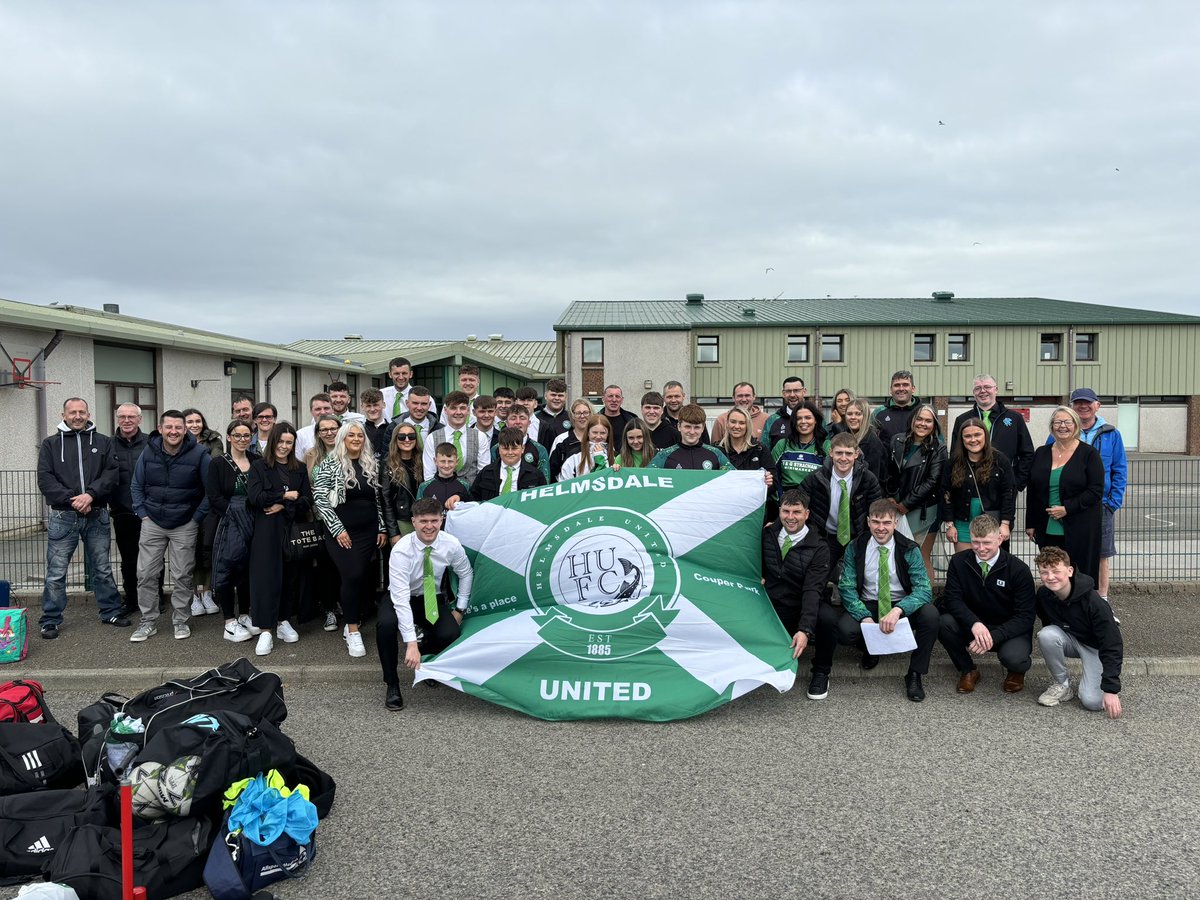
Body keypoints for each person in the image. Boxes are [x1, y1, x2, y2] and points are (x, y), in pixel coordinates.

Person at [36, 397, 126, 638]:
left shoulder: (103, 442)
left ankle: (110, 611)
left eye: (82, 412)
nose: (77, 416)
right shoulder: (50, 444)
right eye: (72, 412)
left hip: (97, 514)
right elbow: (45, 479)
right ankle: (50, 619)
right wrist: (74, 499)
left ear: (88, 415)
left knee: (103, 568)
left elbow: (111, 474)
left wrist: (90, 495)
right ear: (64, 415)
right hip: (63, 516)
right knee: (56, 571)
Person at [836, 500, 938, 702]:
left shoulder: (909, 548)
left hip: (900, 603)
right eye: (875, 522)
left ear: (895, 523)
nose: (880, 528)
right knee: (845, 630)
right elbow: (846, 587)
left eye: (886, 522)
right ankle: (871, 647)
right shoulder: (855, 546)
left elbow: (924, 589)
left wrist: (899, 609)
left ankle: (915, 674)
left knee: (931, 615)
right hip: (869, 603)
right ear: (868, 522)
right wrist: (863, 617)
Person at [379, 498, 475, 710]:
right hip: (401, 596)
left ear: (442, 520)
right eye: (423, 521)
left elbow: (466, 573)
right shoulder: (402, 550)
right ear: (413, 522)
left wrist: (460, 608)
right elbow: (401, 600)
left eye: (434, 520)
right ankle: (392, 684)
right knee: (385, 625)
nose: (429, 526)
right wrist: (410, 643)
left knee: (450, 633)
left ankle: (425, 660)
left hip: (430, 596)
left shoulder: (451, 543)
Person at [129, 410, 211, 643]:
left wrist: (196, 518)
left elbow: (210, 491)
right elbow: (137, 484)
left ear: (185, 430)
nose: (173, 431)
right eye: (169, 427)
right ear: (160, 428)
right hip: (152, 522)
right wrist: (142, 513)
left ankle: (181, 620)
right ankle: (148, 622)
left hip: (185, 524)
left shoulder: (199, 454)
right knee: (145, 574)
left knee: (182, 575)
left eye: (178, 427)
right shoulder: (148, 451)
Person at [312, 421, 387, 658]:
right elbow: (320, 498)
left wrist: (382, 528)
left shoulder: (370, 464)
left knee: (360, 577)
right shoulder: (330, 463)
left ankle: (351, 621)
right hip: (341, 532)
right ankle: (352, 629)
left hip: (369, 531)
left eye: (360, 435)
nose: (356, 439)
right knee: (351, 575)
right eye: (351, 435)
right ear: (343, 438)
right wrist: (337, 529)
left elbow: (378, 500)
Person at [938, 515, 1036, 694]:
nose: (981, 548)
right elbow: (952, 599)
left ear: (999, 538)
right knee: (944, 622)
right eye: (976, 542)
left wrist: (994, 635)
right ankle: (968, 669)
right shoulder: (959, 562)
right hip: (975, 626)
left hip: (1007, 630)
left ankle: (1016, 671)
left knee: (1014, 657)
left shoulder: (1019, 570)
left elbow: (1026, 617)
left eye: (987, 542)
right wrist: (974, 623)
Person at [1034, 546, 1123, 718]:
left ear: (1069, 571)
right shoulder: (1044, 595)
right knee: (1046, 634)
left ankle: (1095, 678)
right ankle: (1062, 685)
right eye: (1044, 572)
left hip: (1095, 648)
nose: (1050, 577)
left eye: (1055, 571)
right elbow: (1047, 621)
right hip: (1070, 639)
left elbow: (1113, 644)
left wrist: (1111, 689)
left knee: (1093, 702)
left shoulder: (1094, 602)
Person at [246, 423, 311, 655]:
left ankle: (283, 620)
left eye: (289, 442)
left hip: (291, 528)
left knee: (290, 576)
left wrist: (282, 506)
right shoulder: (259, 467)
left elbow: (305, 500)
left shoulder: (300, 468)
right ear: (273, 441)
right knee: (266, 577)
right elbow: (255, 497)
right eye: (281, 441)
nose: (284, 446)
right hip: (266, 530)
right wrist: (283, 495)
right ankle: (265, 630)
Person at [761, 490, 831, 700]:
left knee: (828, 620)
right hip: (772, 603)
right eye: (786, 511)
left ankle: (821, 672)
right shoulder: (766, 534)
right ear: (779, 511)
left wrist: (805, 629)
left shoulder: (819, 548)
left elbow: (812, 590)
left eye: (797, 512)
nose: (790, 517)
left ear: (806, 514)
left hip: (801, 604)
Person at [1026, 407, 1104, 583]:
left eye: (1067, 422)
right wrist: (1030, 523)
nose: (1063, 426)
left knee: (1077, 571)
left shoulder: (1089, 454)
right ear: (1052, 426)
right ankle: (1056, 607)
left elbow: (1096, 490)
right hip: (1046, 526)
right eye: (1058, 422)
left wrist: (1067, 508)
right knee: (1052, 571)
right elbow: (1033, 490)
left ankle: (1080, 608)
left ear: (1075, 425)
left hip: (1079, 524)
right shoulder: (1041, 453)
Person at [1065, 388, 1128, 602]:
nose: (1083, 406)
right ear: (1071, 406)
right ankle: (1070, 597)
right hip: (1070, 505)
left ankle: (1101, 601)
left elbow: (1120, 469)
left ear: (1097, 405)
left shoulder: (1111, 434)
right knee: (1069, 552)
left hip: (1101, 504)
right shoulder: (1062, 430)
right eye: (1078, 402)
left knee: (1101, 554)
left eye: (1087, 402)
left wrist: (1113, 503)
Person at [799, 432, 883, 571]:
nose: (843, 458)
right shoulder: (816, 477)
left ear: (856, 454)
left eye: (848, 453)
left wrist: (867, 538)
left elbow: (876, 511)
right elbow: (797, 502)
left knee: (857, 577)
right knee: (820, 574)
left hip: (857, 536)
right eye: (839, 453)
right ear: (831, 452)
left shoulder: (868, 479)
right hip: (826, 536)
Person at [207, 419, 256, 643]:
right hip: (228, 522)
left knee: (247, 569)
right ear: (229, 437)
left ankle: (245, 614)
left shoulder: (257, 460)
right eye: (237, 435)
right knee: (228, 568)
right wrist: (233, 512)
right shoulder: (218, 463)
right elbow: (214, 496)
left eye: (246, 436)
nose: (242, 440)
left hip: (253, 520)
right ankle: (229, 621)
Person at [884, 404, 946, 577]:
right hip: (895, 507)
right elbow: (889, 472)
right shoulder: (897, 440)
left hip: (924, 510)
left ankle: (926, 600)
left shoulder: (939, 448)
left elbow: (932, 481)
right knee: (897, 557)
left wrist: (906, 504)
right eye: (919, 419)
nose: (923, 424)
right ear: (912, 420)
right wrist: (890, 496)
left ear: (934, 424)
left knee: (921, 557)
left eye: (928, 420)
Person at [939, 419, 1015, 552]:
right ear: (961, 439)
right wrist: (950, 525)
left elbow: (1008, 494)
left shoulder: (1000, 461)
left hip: (992, 522)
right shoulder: (953, 463)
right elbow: (947, 494)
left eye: (977, 435)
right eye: (967, 436)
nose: (973, 440)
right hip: (962, 522)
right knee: (966, 565)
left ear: (985, 435)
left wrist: (1005, 523)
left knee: (990, 567)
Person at [952, 374, 1035, 492]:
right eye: (978, 388)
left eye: (987, 387)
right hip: (970, 486)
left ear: (996, 390)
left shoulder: (1015, 419)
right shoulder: (962, 420)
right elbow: (956, 454)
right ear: (973, 393)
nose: (982, 391)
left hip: (1004, 486)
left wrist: (1017, 483)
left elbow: (1027, 453)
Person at [182, 408, 223, 618]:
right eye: (189, 421)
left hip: (209, 499)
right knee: (189, 549)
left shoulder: (214, 440)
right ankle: (194, 595)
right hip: (186, 500)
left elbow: (213, 465)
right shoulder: (177, 441)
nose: (194, 425)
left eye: (198, 420)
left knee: (207, 547)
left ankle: (206, 592)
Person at [110, 402, 149, 617]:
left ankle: (155, 597)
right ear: (117, 419)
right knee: (128, 560)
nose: (127, 420)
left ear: (139, 419)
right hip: (122, 511)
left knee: (152, 560)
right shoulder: (108, 445)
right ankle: (132, 600)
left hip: (148, 513)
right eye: (122, 416)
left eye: (131, 417)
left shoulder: (151, 444)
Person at [423, 391, 489, 483]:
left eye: (462, 408)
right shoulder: (432, 438)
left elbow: (483, 472)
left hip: (471, 494)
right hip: (440, 493)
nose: (458, 412)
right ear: (446, 410)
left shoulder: (480, 437)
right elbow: (429, 475)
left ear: (468, 410)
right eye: (453, 408)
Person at [647, 404, 733, 471]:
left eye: (697, 427)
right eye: (687, 427)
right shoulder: (664, 455)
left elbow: (735, 478)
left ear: (703, 428)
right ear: (679, 426)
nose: (692, 432)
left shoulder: (716, 454)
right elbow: (646, 477)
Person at [472, 428, 547, 500]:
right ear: (499, 449)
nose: (510, 453)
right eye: (505, 448)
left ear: (522, 449)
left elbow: (542, 501)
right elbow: (474, 498)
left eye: (514, 448)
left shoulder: (535, 475)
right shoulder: (486, 473)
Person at [772, 400, 827, 493]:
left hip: (814, 501)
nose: (803, 421)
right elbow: (772, 475)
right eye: (799, 418)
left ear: (816, 420)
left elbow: (828, 478)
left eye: (808, 418)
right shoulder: (783, 445)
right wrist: (781, 500)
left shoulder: (825, 445)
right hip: (786, 502)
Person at [487, 406, 551, 481]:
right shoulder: (496, 449)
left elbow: (545, 482)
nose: (518, 422)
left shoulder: (540, 450)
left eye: (522, 418)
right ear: (506, 423)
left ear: (529, 422)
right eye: (513, 418)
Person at [382, 423, 423, 539]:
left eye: (411, 436)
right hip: (401, 519)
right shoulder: (387, 463)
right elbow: (386, 501)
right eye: (401, 437)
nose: (407, 440)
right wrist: (393, 532)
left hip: (423, 517)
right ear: (395, 439)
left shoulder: (423, 460)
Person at [839, 397, 887, 484]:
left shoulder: (873, 442)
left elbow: (874, 477)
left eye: (858, 414)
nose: (853, 417)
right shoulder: (843, 437)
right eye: (849, 414)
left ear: (866, 416)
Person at [557, 415, 617, 480]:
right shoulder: (574, 455)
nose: (598, 436)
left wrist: (601, 458)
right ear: (588, 432)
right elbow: (564, 481)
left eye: (602, 433)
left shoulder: (615, 455)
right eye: (595, 432)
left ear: (608, 434)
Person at [872, 370, 921, 447]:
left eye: (905, 385)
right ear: (891, 389)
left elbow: (938, 443)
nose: (901, 388)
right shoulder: (878, 413)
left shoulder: (924, 412)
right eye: (897, 385)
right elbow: (869, 441)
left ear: (913, 389)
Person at [717, 407, 771, 478]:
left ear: (747, 426)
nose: (736, 426)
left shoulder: (760, 449)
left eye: (742, 423)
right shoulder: (717, 450)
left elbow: (773, 479)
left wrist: (769, 480)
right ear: (727, 423)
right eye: (733, 422)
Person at [417, 443, 474, 510]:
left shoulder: (465, 486)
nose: (446, 465)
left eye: (450, 461)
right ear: (435, 461)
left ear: (457, 462)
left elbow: (471, 509)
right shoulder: (424, 487)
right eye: (443, 461)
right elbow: (418, 512)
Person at [382, 356, 437, 423]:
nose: (401, 377)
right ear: (390, 374)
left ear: (411, 374)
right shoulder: (381, 395)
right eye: (397, 373)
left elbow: (432, 423)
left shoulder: (426, 399)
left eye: (404, 373)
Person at [549, 399, 592, 481]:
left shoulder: (598, 438)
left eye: (586, 412)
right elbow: (552, 471)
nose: (582, 416)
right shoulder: (561, 440)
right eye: (578, 413)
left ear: (591, 414)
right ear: (572, 416)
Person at [762, 377, 809, 453]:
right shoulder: (772, 420)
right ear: (783, 394)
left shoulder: (816, 419)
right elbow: (764, 451)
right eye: (788, 391)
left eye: (796, 391)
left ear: (804, 392)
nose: (792, 395)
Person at [294, 392, 334, 460]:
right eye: (318, 409)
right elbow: (298, 463)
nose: (323, 412)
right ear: (311, 412)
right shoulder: (301, 435)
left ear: (333, 409)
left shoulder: (343, 432)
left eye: (326, 408)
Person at [397, 386, 438, 450]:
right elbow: (388, 455)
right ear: (407, 403)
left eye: (424, 404)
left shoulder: (439, 429)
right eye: (415, 403)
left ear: (429, 405)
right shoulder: (393, 427)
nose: (419, 408)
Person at [535, 379, 571, 451]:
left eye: (560, 395)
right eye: (553, 395)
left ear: (565, 397)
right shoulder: (536, 418)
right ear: (545, 396)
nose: (557, 398)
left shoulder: (572, 418)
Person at [600, 385, 637, 452]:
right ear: (603, 399)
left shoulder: (632, 420)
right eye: (610, 396)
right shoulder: (595, 421)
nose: (614, 400)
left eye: (617, 396)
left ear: (622, 400)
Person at [360, 388, 392, 461]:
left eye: (376, 405)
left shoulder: (392, 430)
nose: (372, 409)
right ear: (362, 407)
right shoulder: (359, 431)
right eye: (368, 406)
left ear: (383, 405)